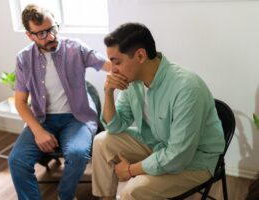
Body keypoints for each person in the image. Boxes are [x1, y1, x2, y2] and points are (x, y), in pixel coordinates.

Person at [92, 22, 226, 200]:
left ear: (140, 55)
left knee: (132, 190)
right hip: (157, 143)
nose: (112, 69)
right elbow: (115, 127)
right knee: (102, 140)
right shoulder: (133, 82)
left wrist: (131, 170)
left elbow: (178, 156)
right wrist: (108, 93)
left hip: (195, 160)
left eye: (117, 62)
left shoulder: (187, 88)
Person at [8, 4, 110, 200]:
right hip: (42, 119)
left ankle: (65, 196)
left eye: (53, 29)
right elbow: (20, 102)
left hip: (77, 117)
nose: (51, 37)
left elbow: (108, 64)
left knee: (78, 154)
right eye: (41, 34)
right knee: (17, 161)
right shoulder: (23, 59)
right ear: (29, 35)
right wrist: (38, 131)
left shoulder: (76, 48)